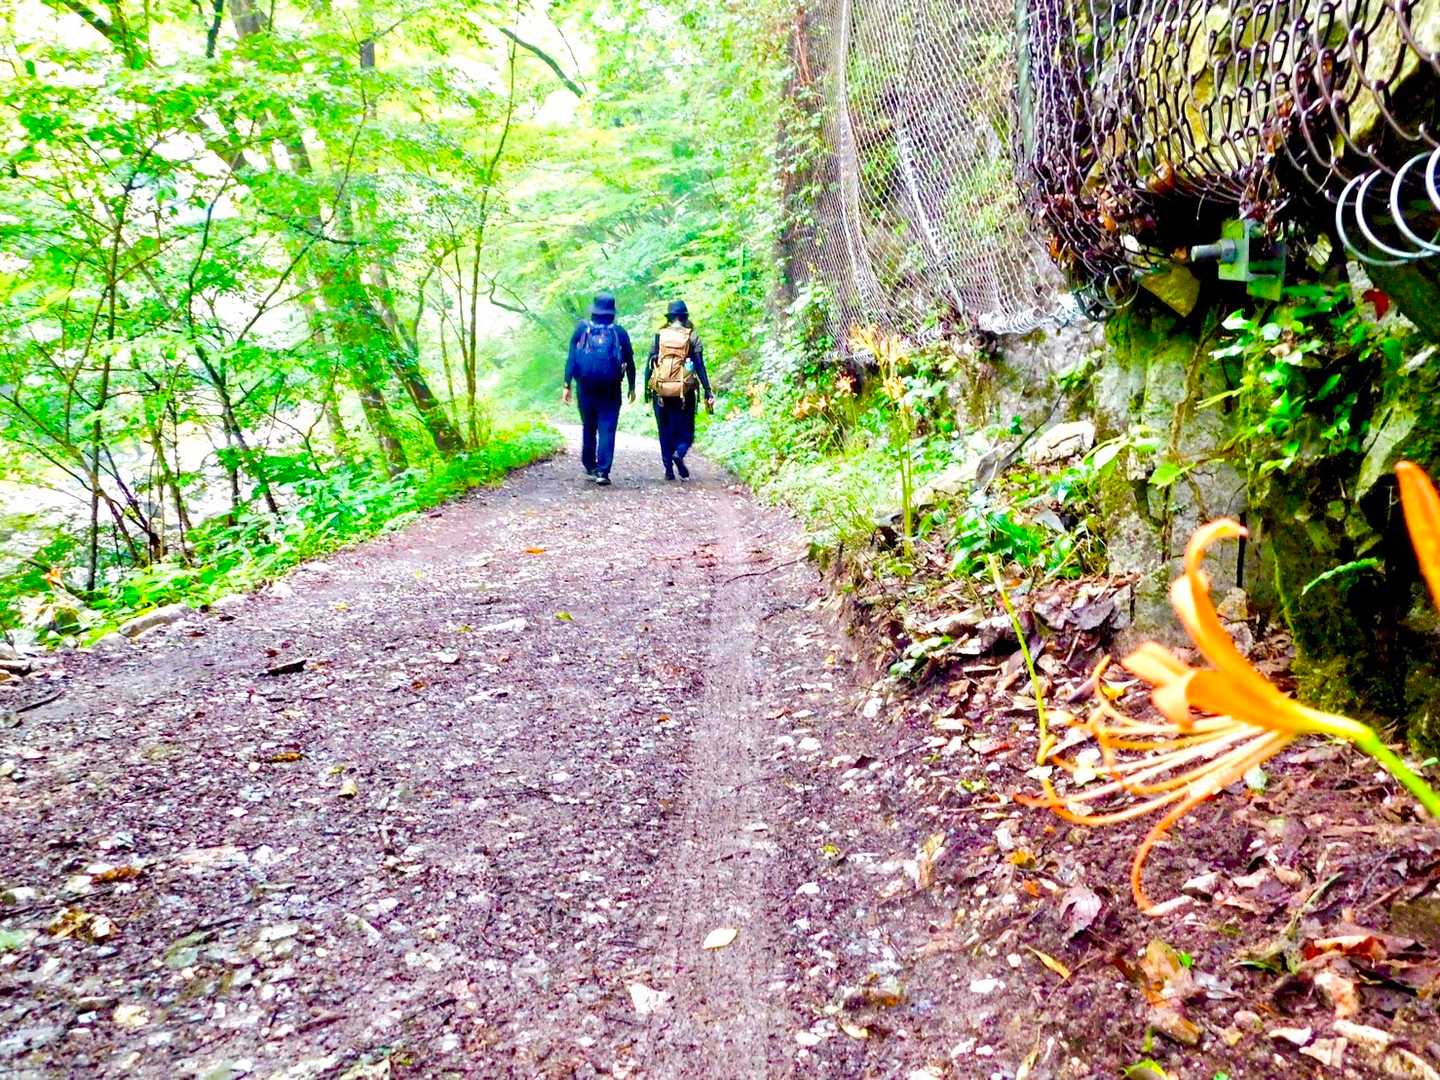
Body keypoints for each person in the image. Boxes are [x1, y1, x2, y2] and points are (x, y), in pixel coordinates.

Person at [563, 293, 635, 486]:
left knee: (589, 426)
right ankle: (603, 471)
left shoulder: (581, 329)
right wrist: (632, 386)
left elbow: (571, 358)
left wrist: (567, 384)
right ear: (612, 312)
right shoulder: (619, 332)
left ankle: (589, 465)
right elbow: (629, 361)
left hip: (585, 387)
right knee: (607, 428)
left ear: (593, 311)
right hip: (611, 388)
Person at [644, 300, 714, 481]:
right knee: (686, 429)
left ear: (669, 318)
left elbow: (650, 364)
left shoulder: (659, 336)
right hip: (685, 391)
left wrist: (646, 389)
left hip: (661, 391)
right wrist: (707, 390)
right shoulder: (692, 337)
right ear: (685, 317)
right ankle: (679, 453)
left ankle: (668, 469)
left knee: (664, 429)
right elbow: (699, 365)